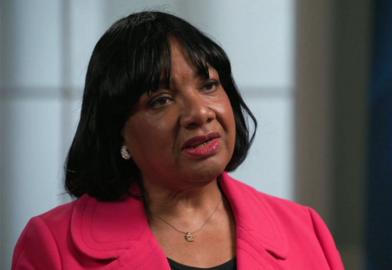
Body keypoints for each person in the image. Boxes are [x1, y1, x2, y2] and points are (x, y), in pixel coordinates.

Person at [11, 11, 344, 270]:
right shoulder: (52, 244)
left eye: (209, 85)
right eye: (161, 99)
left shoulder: (305, 229)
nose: (199, 113)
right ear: (118, 130)